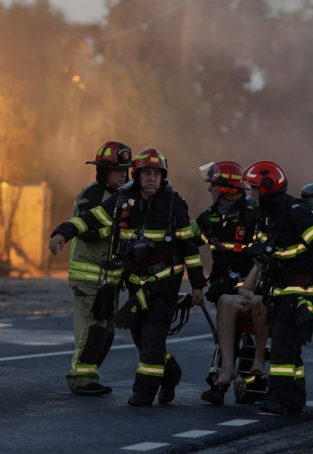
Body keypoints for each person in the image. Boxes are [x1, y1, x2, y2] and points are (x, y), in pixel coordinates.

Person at [49, 147, 207, 407]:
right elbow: (91, 218)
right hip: (136, 285)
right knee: (141, 337)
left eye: (157, 173)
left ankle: (144, 393)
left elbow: (189, 248)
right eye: (146, 173)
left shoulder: (174, 204)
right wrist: (62, 233)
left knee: (153, 336)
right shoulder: (123, 200)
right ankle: (171, 373)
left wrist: (198, 285)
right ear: (138, 174)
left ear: (163, 176)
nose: (152, 179)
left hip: (165, 284)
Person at [241, 161, 313, 417]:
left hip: (299, 292)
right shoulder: (268, 215)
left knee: (282, 348)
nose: (250, 194)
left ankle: (278, 399)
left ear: (266, 188)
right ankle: (296, 397)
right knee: (290, 346)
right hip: (279, 289)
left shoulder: (296, 212)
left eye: (253, 189)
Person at [190, 161, 268, 406]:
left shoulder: (253, 213)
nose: (209, 189)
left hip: (251, 286)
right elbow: (186, 240)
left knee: (242, 329)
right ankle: (228, 377)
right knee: (230, 327)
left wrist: (239, 282)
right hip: (222, 285)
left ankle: (241, 380)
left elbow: (265, 255)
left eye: (213, 185)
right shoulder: (210, 216)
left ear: (225, 188)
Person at [63, 141, 134, 396]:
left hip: (110, 281)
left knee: (106, 333)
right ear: (103, 171)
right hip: (88, 277)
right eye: (117, 171)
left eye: (125, 171)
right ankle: (80, 379)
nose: (123, 176)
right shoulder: (92, 194)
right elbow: (87, 232)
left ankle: (89, 375)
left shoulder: (125, 198)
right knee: (92, 329)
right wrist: (116, 227)